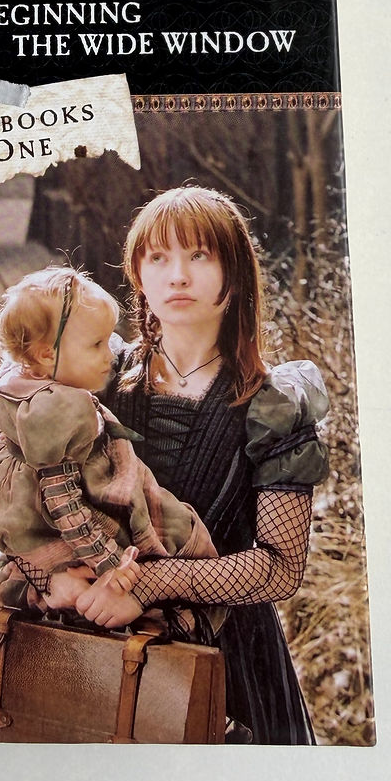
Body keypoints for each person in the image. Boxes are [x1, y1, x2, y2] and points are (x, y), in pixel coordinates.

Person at [71, 185, 330, 745]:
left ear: (234, 272)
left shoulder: (272, 404)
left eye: (199, 256)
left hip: (230, 664)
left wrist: (147, 583)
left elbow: (281, 568)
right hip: (98, 648)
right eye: (158, 257)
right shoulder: (99, 379)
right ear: (138, 273)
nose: (178, 276)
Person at [0, 266, 222, 630]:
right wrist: (112, 568)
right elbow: (65, 505)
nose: (109, 354)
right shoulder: (59, 411)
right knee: (180, 551)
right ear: (46, 354)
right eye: (96, 345)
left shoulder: (19, 387)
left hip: (52, 550)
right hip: (92, 543)